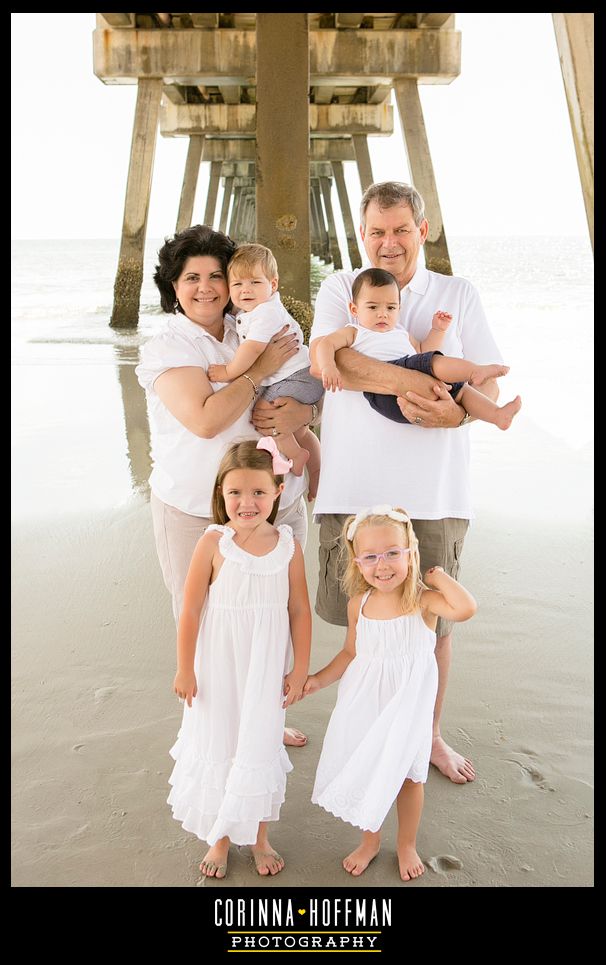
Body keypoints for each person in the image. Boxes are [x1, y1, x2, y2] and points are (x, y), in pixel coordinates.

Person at [309, 181, 504, 783]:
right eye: (376, 232)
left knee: (433, 625)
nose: (387, 243)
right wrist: (420, 386)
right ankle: (366, 733)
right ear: (361, 234)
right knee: (363, 624)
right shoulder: (344, 288)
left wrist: (460, 411)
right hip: (353, 489)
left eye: (400, 230)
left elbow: (488, 383)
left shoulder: (456, 293)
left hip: (433, 490)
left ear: (423, 230)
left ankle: (428, 737)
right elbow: (338, 364)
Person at [136, 224, 314, 747]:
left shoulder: (253, 323)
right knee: (206, 619)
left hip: (273, 500)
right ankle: (215, 727)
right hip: (196, 508)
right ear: (173, 286)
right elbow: (207, 419)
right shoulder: (169, 345)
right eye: (192, 277)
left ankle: (264, 716)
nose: (208, 287)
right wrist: (258, 374)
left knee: (273, 614)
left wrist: (299, 407)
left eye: (217, 275)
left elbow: (305, 386)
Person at [304, 507, 476, 880]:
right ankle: (370, 842)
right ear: (358, 562)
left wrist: (440, 576)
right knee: (373, 772)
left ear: (410, 553)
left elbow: (465, 609)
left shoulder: (423, 600)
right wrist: (318, 679)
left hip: (408, 707)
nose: (382, 565)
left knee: (410, 778)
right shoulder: (358, 605)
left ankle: (406, 844)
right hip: (366, 703)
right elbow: (351, 652)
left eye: (393, 553)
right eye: (371, 557)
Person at [169, 438, 311, 878]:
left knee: (259, 741)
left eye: (258, 493)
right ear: (221, 494)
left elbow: (299, 609)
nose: (246, 503)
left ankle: (260, 837)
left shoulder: (287, 544)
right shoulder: (214, 543)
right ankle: (220, 838)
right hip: (217, 665)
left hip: (265, 665)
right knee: (220, 739)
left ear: (278, 492)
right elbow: (190, 607)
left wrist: (301, 667)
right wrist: (184, 667)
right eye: (235, 493)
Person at [317, 267, 521, 431]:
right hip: (384, 395)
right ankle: (475, 370)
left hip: (412, 375)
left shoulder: (400, 332)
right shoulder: (354, 331)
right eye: (372, 307)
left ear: (399, 309)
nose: (382, 314)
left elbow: (424, 350)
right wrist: (328, 367)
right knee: (432, 363)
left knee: (460, 389)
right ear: (354, 310)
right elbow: (326, 344)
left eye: (390, 308)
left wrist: (437, 330)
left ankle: (497, 415)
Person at [207, 243, 324, 496]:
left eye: (254, 283)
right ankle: (316, 474)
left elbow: (251, 351)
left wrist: (228, 372)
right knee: (301, 431)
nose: (245, 290)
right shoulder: (255, 310)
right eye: (237, 285)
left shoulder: (266, 313)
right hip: (301, 375)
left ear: (273, 284)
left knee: (266, 418)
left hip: (297, 378)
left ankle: (296, 455)